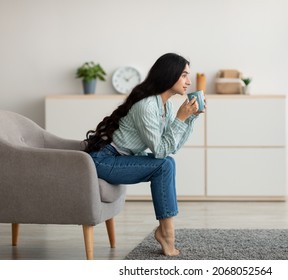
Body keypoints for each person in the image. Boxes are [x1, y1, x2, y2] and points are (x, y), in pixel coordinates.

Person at [83, 53, 205, 256]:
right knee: (164, 164)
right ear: (169, 74)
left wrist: (188, 118)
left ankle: (166, 232)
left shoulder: (164, 105)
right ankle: (167, 233)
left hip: (118, 158)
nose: (189, 81)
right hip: (104, 159)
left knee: (168, 163)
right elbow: (160, 151)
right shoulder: (147, 106)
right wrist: (180, 119)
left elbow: (169, 148)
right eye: (184, 75)